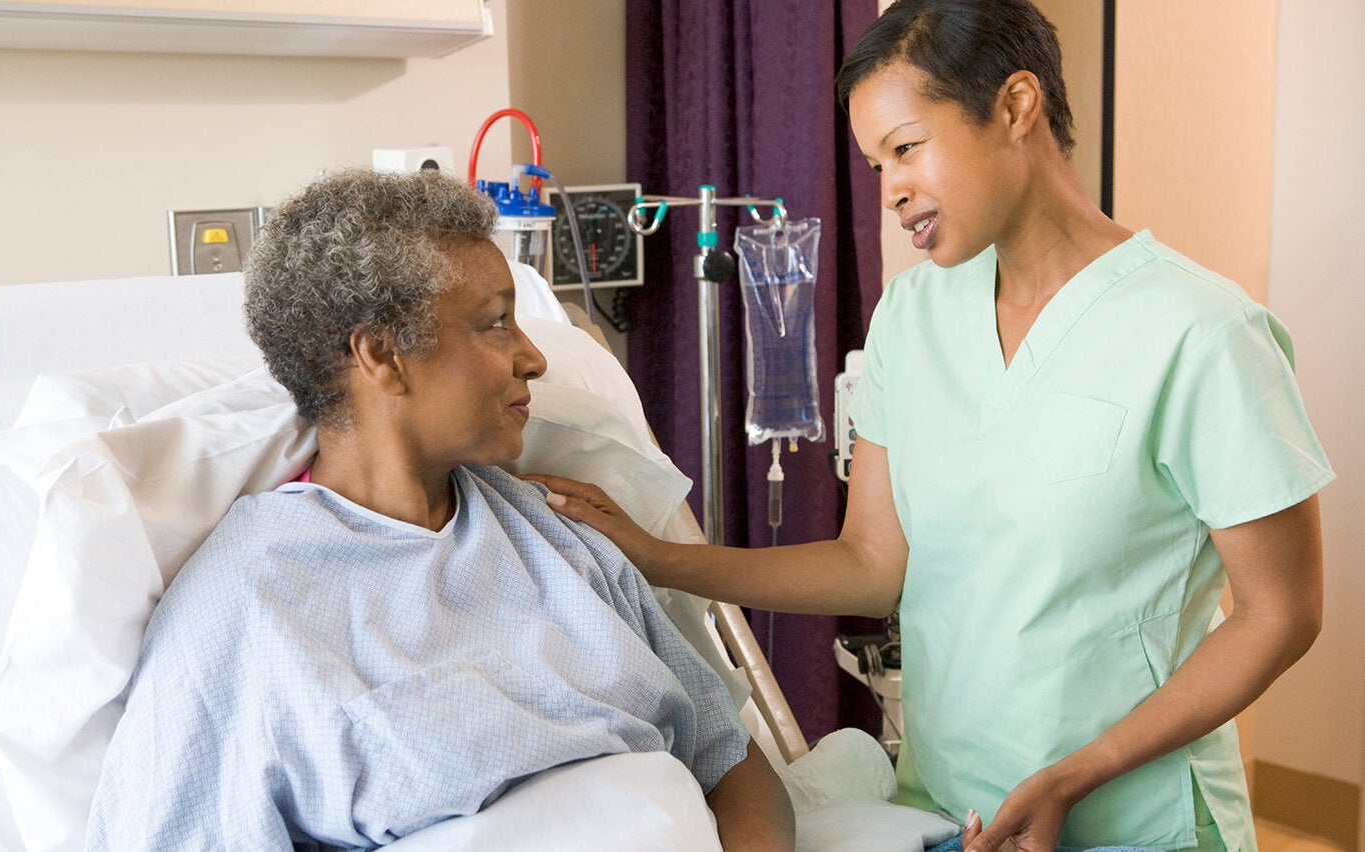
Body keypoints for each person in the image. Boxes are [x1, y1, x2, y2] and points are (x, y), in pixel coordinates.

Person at [531, 1, 1333, 850]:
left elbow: (1280, 614)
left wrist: (1076, 774)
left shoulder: (1201, 333)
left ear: (1016, 106)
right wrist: (662, 560)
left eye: (908, 147)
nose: (892, 190)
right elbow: (872, 565)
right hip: (947, 813)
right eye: (877, 164)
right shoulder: (912, 315)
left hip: (1132, 820)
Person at [84, 168, 794, 850]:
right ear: (382, 355)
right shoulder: (246, 607)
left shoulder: (554, 533)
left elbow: (731, 763)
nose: (533, 359)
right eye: (496, 323)